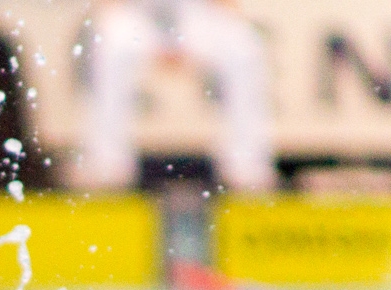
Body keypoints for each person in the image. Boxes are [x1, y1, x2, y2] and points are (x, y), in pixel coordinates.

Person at [81, 0, 275, 192]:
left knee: (242, 45)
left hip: (196, 17)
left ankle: (247, 165)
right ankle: (106, 164)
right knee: (110, 41)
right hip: (141, 17)